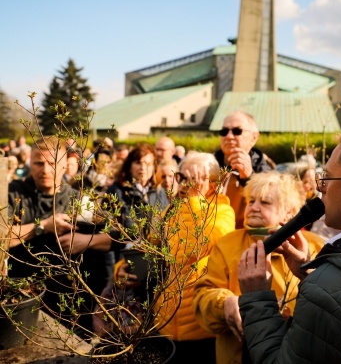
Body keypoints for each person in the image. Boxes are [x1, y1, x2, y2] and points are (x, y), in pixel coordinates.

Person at [238, 128, 341, 364]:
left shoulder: (326, 289)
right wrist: (309, 274)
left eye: (327, 177)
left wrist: (257, 298)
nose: (321, 188)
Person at [113, 152, 236, 363]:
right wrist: (125, 267)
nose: (183, 184)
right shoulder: (171, 211)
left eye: (193, 178)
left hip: (202, 331)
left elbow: (200, 244)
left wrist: (195, 199)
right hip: (165, 324)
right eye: (181, 177)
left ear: (213, 184)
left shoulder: (224, 212)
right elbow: (150, 247)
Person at [193, 171, 323, 363]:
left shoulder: (314, 245)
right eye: (251, 201)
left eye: (265, 202)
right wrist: (224, 303)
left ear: (289, 211)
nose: (253, 207)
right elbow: (202, 295)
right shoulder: (228, 243)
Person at [8, 136, 116, 335]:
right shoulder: (14, 194)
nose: (46, 170)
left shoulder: (78, 200)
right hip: (23, 299)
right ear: (30, 162)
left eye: (52, 163)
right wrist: (42, 227)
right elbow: (2, 237)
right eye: (39, 163)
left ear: (66, 165)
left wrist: (86, 241)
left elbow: (119, 236)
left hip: (70, 304)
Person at [215, 111, 275, 229]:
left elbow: (270, 209)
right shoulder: (208, 165)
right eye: (224, 131)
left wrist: (249, 178)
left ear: (254, 137)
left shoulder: (267, 172)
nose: (229, 136)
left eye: (237, 131)